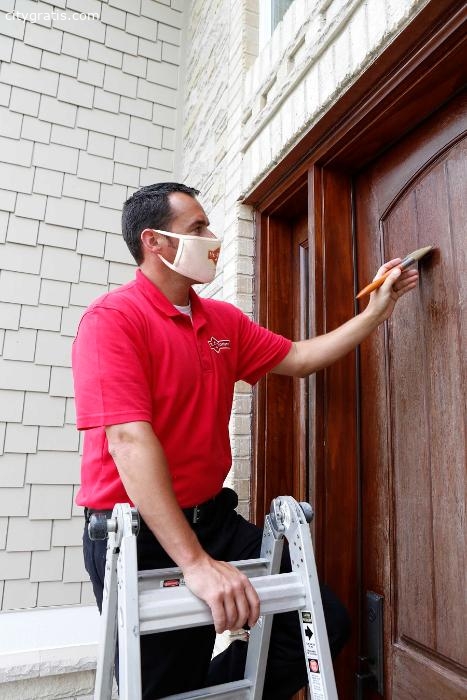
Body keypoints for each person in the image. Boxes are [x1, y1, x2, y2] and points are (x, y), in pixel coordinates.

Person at [72, 182, 418, 699]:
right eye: (197, 228)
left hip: (212, 520)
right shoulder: (113, 320)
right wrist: (194, 564)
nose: (212, 238)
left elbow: (299, 358)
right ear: (154, 242)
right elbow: (127, 440)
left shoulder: (222, 322)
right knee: (167, 686)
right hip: (138, 534)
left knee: (323, 621)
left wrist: (376, 313)